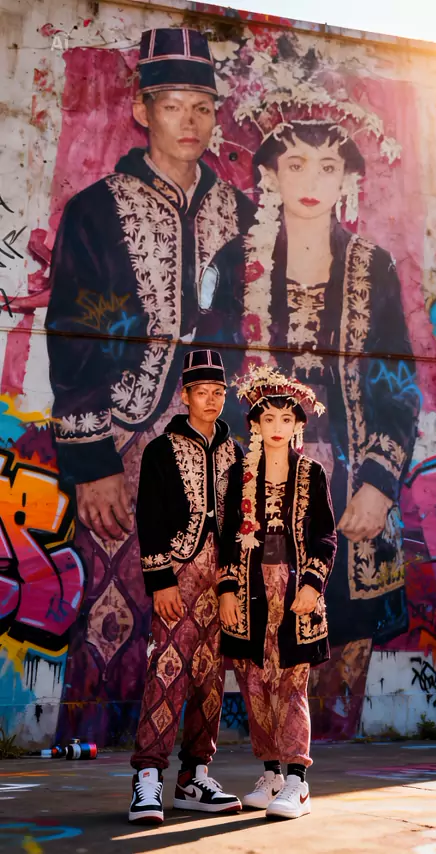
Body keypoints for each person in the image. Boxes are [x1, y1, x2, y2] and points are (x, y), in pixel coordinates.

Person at [45, 27, 254, 744]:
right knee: (115, 607)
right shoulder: (96, 210)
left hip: (212, 443)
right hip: (124, 439)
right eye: (173, 105)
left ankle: (192, 756)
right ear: (142, 110)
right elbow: (73, 334)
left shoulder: (242, 217)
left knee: (205, 603)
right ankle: (96, 745)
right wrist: (91, 462)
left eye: (203, 107)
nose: (190, 121)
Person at [199, 121, 420, 735]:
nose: (312, 181)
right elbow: (210, 382)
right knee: (261, 628)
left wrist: (378, 484)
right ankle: (274, 760)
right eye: (295, 163)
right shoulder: (235, 263)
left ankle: (324, 759)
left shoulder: (372, 265)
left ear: (346, 178)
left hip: (350, 491)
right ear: (270, 175)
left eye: (327, 167)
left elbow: (398, 386)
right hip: (256, 484)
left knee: (340, 655)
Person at [218, 364, 337, 820]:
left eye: (286, 419)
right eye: (268, 418)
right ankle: (270, 774)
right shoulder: (239, 475)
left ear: (297, 426)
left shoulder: (312, 473)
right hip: (249, 591)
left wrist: (312, 583)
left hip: (294, 590)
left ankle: (298, 781)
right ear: (255, 424)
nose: (277, 427)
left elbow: (326, 536)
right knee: (254, 683)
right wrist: (227, 590)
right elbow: (228, 537)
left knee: (291, 683)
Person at [129, 349, 243, 824]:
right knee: (167, 669)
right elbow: (149, 517)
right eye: (203, 392)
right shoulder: (160, 450)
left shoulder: (236, 453)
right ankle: (148, 777)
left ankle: (194, 776)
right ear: (185, 395)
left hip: (219, 582)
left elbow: (238, 523)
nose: (212, 400)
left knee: (211, 676)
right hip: (178, 574)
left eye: (219, 392)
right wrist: (161, 581)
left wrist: (231, 584)